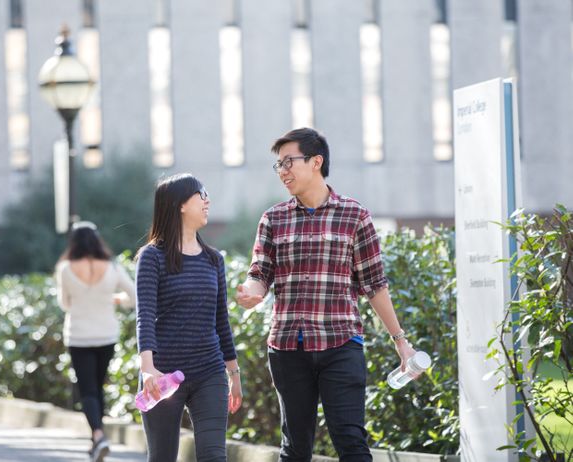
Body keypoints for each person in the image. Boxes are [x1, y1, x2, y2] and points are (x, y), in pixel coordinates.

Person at [236, 128, 415, 462]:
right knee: (295, 448)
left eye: (289, 161)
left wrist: (399, 340)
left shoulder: (355, 215)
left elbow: (374, 284)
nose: (283, 171)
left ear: (316, 161)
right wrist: (252, 292)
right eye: (278, 165)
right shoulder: (273, 219)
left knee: (351, 442)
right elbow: (260, 273)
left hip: (341, 344)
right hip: (288, 346)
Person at [135, 173, 242, 462]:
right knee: (162, 457)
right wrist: (148, 369)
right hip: (163, 376)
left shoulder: (213, 260)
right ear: (180, 204)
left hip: (209, 372)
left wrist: (234, 374)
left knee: (214, 457)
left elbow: (221, 320)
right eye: (201, 193)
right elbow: (145, 315)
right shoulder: (152, 257)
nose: (207, 200)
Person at [55, 221, 136, 462]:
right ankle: (96, 440)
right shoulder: (112, 267)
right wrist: (114, 299)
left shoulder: (65, 269)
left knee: (87, 389)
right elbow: (134, 297)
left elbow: (65, 304)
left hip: (78, 336)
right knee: (97, 387)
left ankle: (98, 435)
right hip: (106, 335)